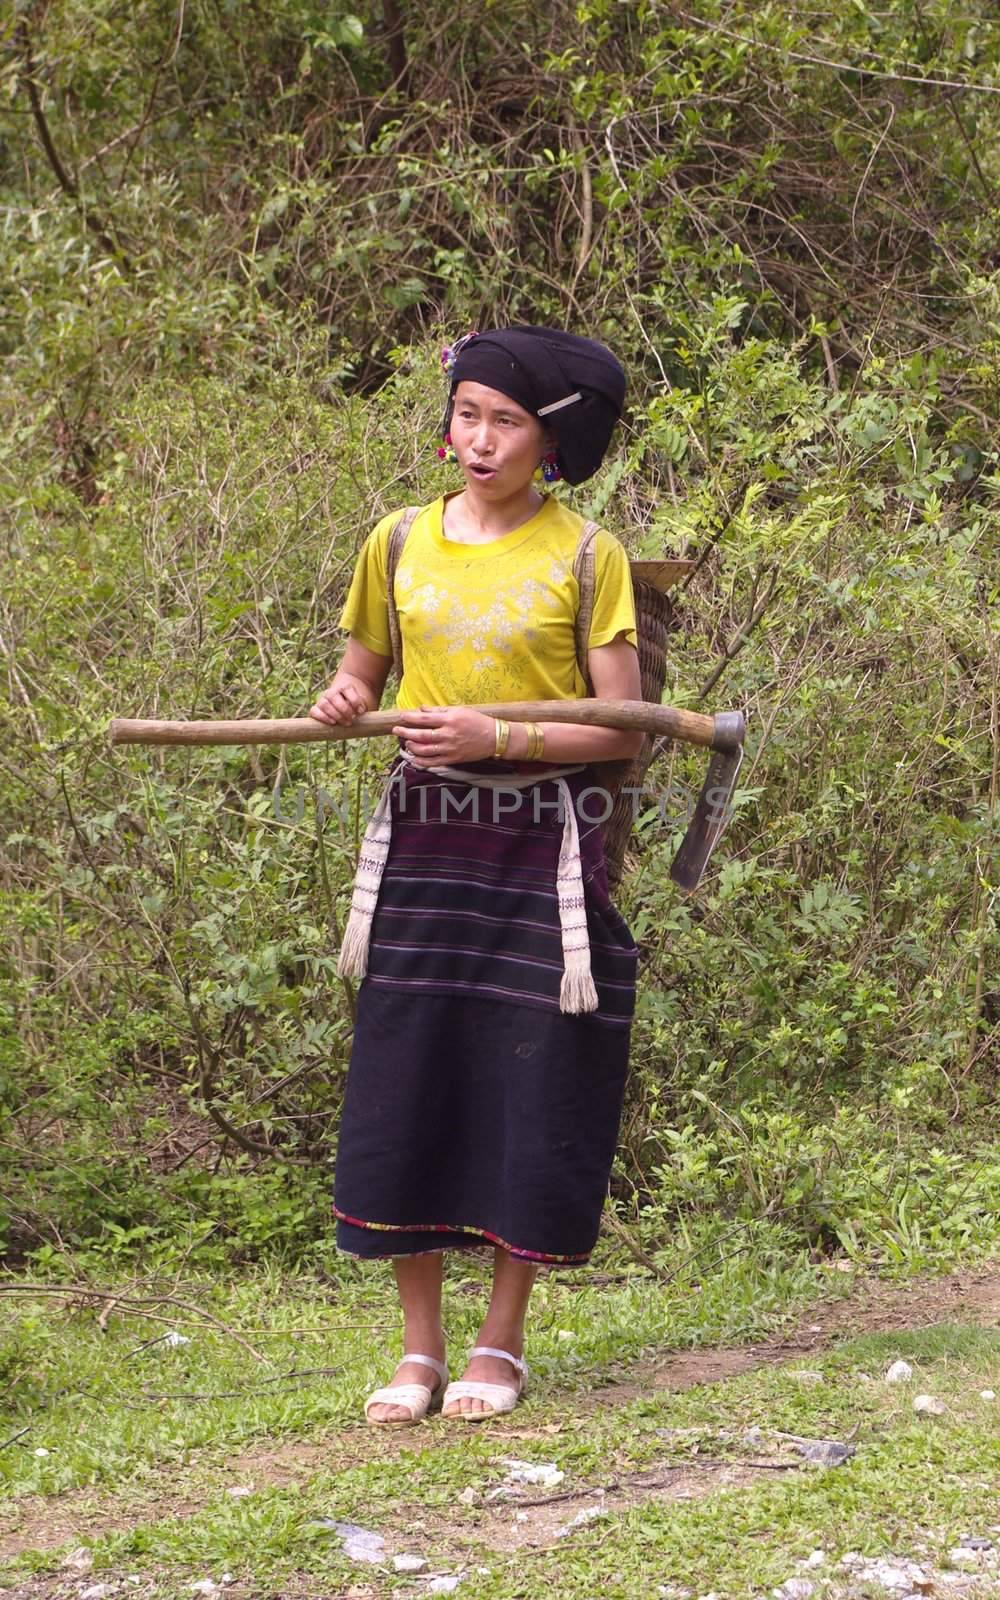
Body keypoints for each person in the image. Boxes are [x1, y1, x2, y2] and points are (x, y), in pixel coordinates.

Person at [309, 325, 642, 1425]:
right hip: (426, 839)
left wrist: (500, 737)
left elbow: (621, 728)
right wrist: (347, 699)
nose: (479, 439)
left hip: (542, 841)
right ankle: (418, 1351)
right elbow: (362, 673)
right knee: (413, 1068)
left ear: (547, 442)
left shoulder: (586, 557)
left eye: (505, 420)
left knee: (528, 1072)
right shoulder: (398, 539)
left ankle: (502, 1342)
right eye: (467, 413)